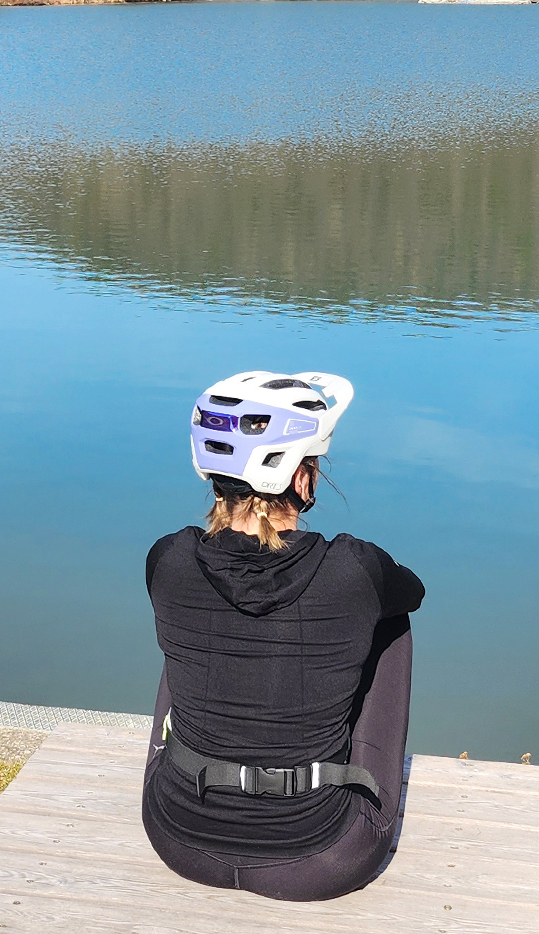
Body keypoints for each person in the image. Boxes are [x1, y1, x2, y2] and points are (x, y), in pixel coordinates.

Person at [141, 370, 425, 902]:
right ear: (300, 479)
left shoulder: (168, 557)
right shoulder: (352, 568)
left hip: (176, 836)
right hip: (320, 858)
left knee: (194, 615)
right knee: (390, 618)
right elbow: (415, 591)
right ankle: (356, 775)